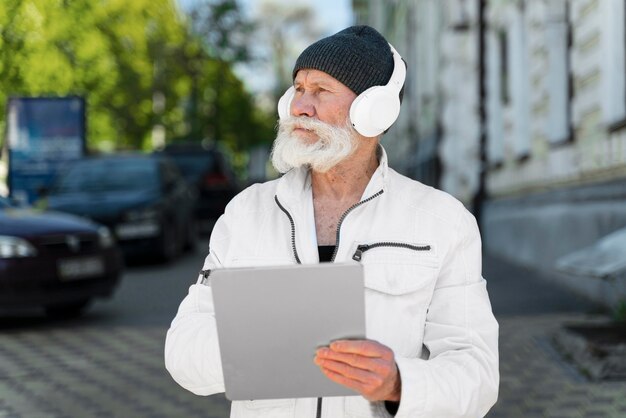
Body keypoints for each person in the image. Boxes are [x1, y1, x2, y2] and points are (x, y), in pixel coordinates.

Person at [165, 25, 499, 418]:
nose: (299, 107)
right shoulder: (246, 213)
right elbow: (183, 349)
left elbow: (476, 374)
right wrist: (254, 346)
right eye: (298, 89)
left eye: (321, 91)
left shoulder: (441, 222)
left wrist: (397, 384)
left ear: (374, 111)